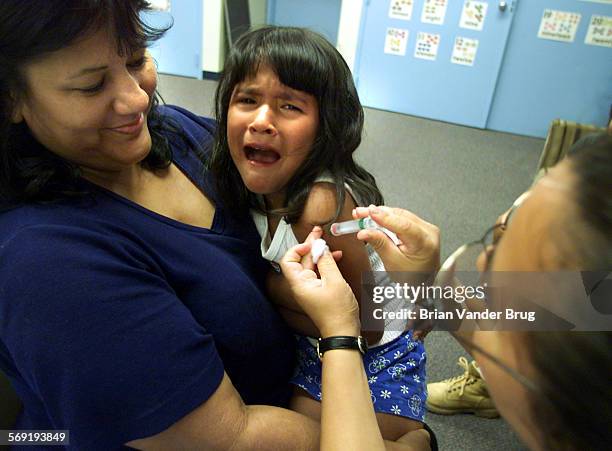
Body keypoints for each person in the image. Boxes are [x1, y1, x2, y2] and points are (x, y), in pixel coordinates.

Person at [0, 2, 440, 450]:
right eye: (92, 85)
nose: (137, 99)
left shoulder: (177, 134)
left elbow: (387, 309)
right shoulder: (49, 261)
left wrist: (422, 285)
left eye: (136, 59)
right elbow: (233, 437)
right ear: (11, 97)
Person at [298, 133, 610, 450]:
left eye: (500, 249)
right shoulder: (590, 315)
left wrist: (340, 331)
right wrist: (427, 284)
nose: (481, 258)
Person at [208, 26, 430, 441]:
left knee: (322, 438)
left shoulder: (321, 205)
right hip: (314, 340)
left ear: (325, 125)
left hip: (378, 353)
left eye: (289, 106)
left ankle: (415, 444)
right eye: (247, 99)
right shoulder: (242, 180)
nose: (261, 121)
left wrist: (272, 291)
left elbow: (368, 322)